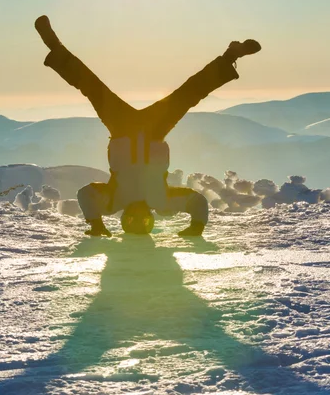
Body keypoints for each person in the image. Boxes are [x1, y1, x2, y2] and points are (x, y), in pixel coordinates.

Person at [35, 15, 261, 237]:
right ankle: (230, 55)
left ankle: (54, 45)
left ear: (124, 219)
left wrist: (96, 223)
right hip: (155, 131)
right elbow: (197, 201)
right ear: (151, 220)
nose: (138, 216)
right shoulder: (163, 201)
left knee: (93, 88)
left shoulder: (113, 201)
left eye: (132, 221)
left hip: (121, 128)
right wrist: (197, 227)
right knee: (187, 95)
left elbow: (84, 194)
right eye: (144, 221)